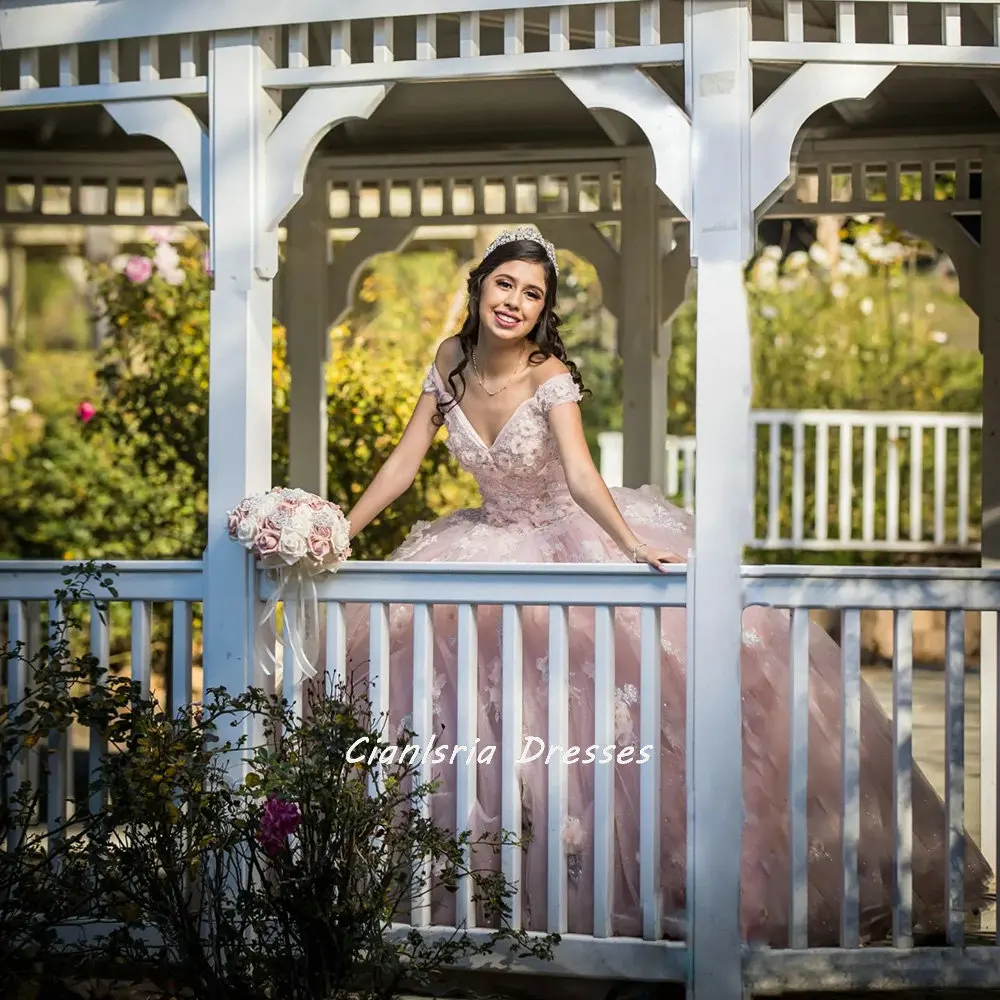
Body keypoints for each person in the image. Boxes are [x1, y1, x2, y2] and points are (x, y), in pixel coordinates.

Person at [338, 224, 991, 946]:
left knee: (599, 718)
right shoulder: (449, 358)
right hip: (485, 541)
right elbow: (404, 461)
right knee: (476, 715)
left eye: (532, 293)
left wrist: (627, 544)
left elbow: (581, 474)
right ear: (478, 284)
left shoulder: (549, 374)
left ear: (543, 310)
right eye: (505, 284)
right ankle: (478, 894)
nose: (515, 302)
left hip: (566, 534)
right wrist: (343, 527)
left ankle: (629, 892)